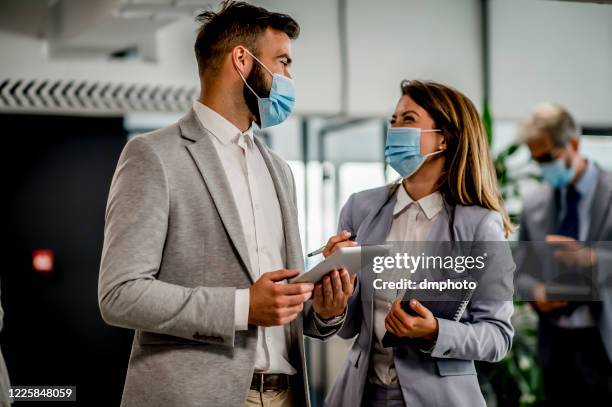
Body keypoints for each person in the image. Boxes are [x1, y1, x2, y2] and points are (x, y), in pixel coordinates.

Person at [98, 2, 353, 406]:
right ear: (242, 60)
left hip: (287, 395)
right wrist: (242, 306)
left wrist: (325, 307)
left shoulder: (279, 170)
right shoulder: (154, 156)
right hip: (195, 397)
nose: (289, 77)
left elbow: (282, 308)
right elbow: (120, 294)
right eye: (283, 62)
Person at [322, 80, 515, 407]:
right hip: (359, 394)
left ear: (444, 137)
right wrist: (333, 304)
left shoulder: (479, 226)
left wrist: (434, 331)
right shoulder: (360, 208)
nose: (395, 130)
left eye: (408, 120)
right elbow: (347, 326)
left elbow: (498, 335)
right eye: (393, 121)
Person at [515, 103, 612, 405]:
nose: (544, 167)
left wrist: (594, 258)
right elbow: (519, 271)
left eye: (548, 158)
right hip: (557, 344)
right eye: (536, 160)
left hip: (604, 339)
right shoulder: (534, 204)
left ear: (573, 144)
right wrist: (537, 291)